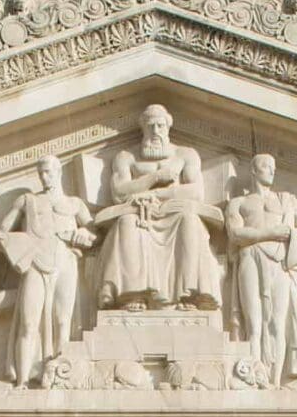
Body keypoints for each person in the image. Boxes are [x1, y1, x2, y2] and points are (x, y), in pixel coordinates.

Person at [94, 103, 222, 311]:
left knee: (190, 221)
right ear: (143, 127)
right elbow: (119, 192)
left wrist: (156, 194)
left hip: (175, 213)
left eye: (160, 126)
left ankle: (189, 295)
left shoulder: (185, 154)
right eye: (150, 126)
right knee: (127, 223)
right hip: (139, 214)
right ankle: (133, 294)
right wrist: (155, 178)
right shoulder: (126, 157)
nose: (155, 131)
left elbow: (196, 192)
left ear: (168, 127)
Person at [0, 156, 96, 387]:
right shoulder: (27, 201)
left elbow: (93, 234)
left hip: (66, 260)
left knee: (63, 321)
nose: (44, 177)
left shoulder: (75, 204)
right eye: (41, 173)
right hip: (36, 261)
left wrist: (84, 236)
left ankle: (60, 378)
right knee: (29, 322)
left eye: (48, 172)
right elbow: (0, 230)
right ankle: (22, 381)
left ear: (59, 172)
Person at [223, 153, 297, 385]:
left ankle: (276, 380)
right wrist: (270, 233)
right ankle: (255, 377)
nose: (271, 170)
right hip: (250, 257)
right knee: (254, 322)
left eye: (273, 167)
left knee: (278, 322)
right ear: (253, 170)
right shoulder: (238, 203)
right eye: (265, 166)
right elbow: (236, 234)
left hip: (280, 262)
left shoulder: (286, 200)